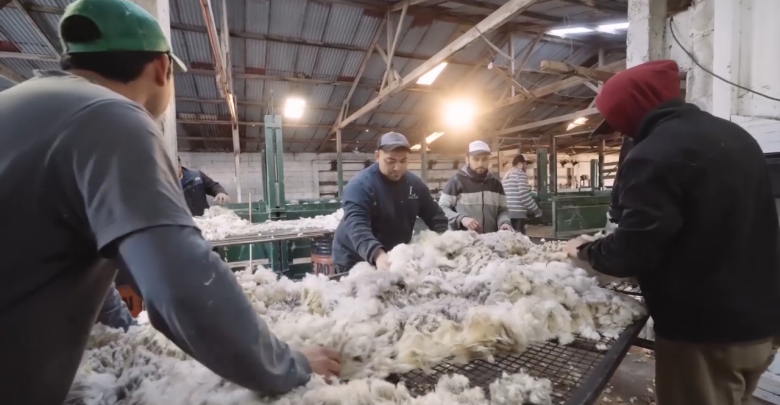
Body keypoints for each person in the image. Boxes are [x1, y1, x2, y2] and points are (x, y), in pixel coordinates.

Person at [0, 0, 339, 403]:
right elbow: (179, 284)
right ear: (162, 68)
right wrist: (287, 365)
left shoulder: (24, 104)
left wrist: (127, 336)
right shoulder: (111, 116)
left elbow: (74, 259)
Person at [564, 60, 780, 405]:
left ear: (631, 110)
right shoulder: (736, 136)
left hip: (706, 335)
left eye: (618, 122)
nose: (621, 133)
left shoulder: (652, 155)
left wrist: (584, 250)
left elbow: (631, 253)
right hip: (762, 323)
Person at [332, 132, 448, 272]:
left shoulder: (415, 185)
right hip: (354, 259)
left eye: (403, 161)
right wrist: (377, 254)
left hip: (393, 257)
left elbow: (435, 215)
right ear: (377, 156)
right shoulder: (360, 186)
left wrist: (444, 241)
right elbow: (357, 226)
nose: (397, 167)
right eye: (391, 161)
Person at [439, 141, 513, 233]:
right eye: (476, 159)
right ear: (467, 160)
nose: (480, 164)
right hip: (464, 240)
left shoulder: (496, 184)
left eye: (484, 159)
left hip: (490, 240)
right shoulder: (456, 182)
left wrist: (504, 222)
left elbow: (503, 210)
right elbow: (442, 208)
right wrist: (461, 218)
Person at [501, 154, 542, 234]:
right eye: (525, 164)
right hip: (517, 215)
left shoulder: (506, 176)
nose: (526, 167)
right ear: (520, 164)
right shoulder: (520, 174)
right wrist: (537, 211)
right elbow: (524, 196)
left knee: (509, 239)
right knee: (519, 239)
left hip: (506, 215)